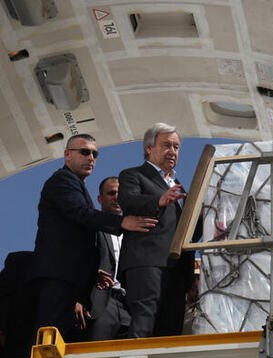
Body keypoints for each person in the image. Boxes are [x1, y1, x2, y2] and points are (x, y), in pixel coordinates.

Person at [30, 134, 158, 341]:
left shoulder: (77, 185)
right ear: (67, 155)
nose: (91, 157)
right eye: (84, 152)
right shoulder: (62, 180)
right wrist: (121, 222)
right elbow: (80, 213)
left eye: (94, 154)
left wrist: (92, 271)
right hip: (59, 276)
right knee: (51, 337)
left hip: (72, 279)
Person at [118, 123, 198, 338]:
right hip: (146, 263)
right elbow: (128, 201)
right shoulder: (133, 175)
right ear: (149, 149)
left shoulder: (180, 187)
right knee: (145, 322)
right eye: (166, 145)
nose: (172, 151)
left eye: (176, 147)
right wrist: (159, 201)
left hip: (177, 269)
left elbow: (188, 231)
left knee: (171, 329)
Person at [76, 177, 132, 341]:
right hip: (99, 304)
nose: (116, 197)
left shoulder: (136, 233)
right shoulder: (91, 227)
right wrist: (76, 299)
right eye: (111, 193)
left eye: (120, 193)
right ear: (100, 199)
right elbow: (75, 261)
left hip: (130, 307)